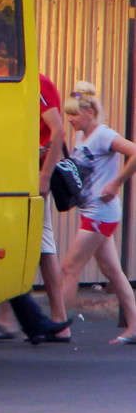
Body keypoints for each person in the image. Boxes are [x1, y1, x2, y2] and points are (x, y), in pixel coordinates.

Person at [0, 73, 71, 341]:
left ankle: (36, 320)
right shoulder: (18, 82)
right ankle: (52, 320)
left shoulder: (37, 83)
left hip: (32, 178)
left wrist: (44, 177)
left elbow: (58, 130)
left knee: (36, 245)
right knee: (33, 245)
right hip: (22, 175)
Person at [59, 81, 136, 345]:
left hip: (100, 212)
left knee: (70, 267)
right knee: (113, 272)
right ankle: (134, 326)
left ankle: (59, 325)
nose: (70, 120)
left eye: (74, 114)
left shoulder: (104, 135)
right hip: (92, 210)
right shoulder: (82, 136)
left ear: (89, 112)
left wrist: (116, 183)